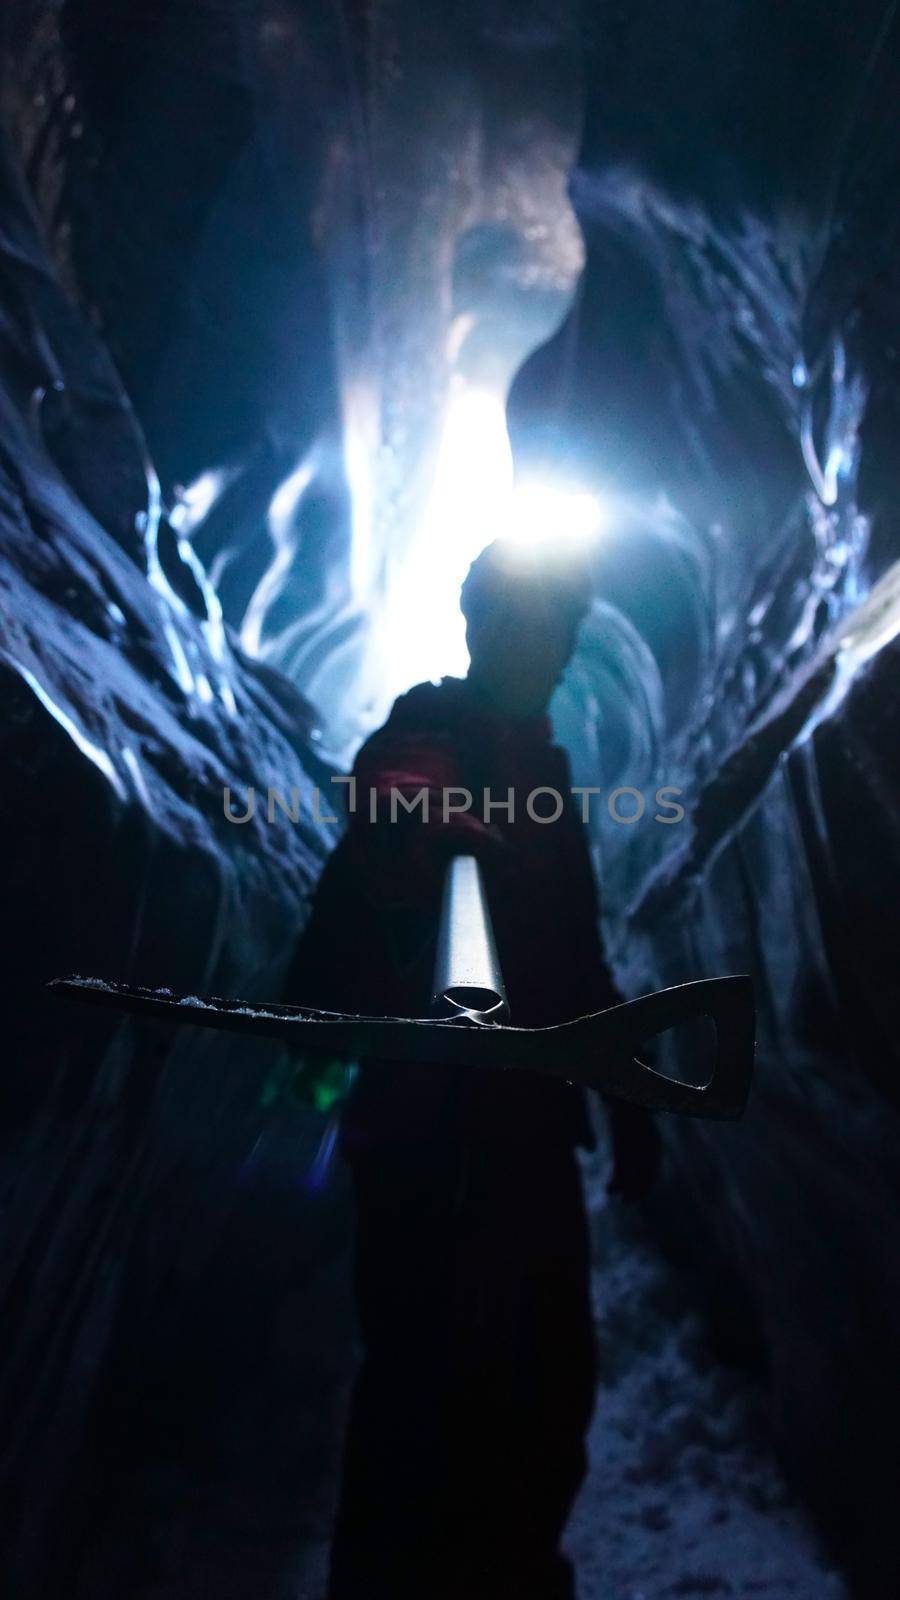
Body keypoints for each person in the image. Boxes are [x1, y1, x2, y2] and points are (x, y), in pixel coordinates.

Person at [284, 539, 660, 1600]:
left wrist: (629, 1097)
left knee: (546, 1388)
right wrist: (451, 837)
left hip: (526, 1131)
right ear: (480, 627)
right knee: (417, 1394)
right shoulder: (424, 728)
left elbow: (575, 955)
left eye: (561, 635)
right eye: (528, 628)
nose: (546, 652)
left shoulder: (547, 772)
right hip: (420, 1130)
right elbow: (399, 799)